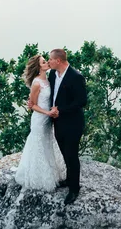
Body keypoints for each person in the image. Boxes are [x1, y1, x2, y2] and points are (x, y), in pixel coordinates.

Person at [30, 48, 87, 205]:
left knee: (72, 155)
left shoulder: (76, 77)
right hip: (57, 122)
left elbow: (81, 101)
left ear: (58, 61)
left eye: (50, 60)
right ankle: (69, 180)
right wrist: (35, 104)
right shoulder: (53, 75)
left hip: (73, 124)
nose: (49, 62)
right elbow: (49, 94)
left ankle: (74, 189)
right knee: (64, 153)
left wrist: (60, 110)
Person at [15, 55, 66, 191]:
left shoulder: (49, 79)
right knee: (38, 145)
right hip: (40, 119)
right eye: (44, 62)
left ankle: (52, 172)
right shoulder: (37, 83)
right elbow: (33, 106)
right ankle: (39, 176)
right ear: (38, 68)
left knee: (47, 144)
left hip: (48, 119)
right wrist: (48, 113)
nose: (47, 62)